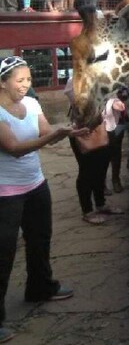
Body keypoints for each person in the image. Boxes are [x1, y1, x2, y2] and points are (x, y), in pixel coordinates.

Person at [0, 56, 84, 343]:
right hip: (5, 192)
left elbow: (47, 132)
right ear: (2, 83)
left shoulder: (33, 104)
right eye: (19, 81)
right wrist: (52, 138)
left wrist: (70, 132)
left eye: (28, 80)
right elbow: (13, 148)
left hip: (35, 184)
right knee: (4, 252)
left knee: (40, 239)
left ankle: (40, 287)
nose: (26, 86)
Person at [64, 78, 123, 225]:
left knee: (102, 169)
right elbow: (80, 107)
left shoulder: (105, 78)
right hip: (84, 131)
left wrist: (114, 103)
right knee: (87, 171)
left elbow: (111, 97)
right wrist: (106, 103)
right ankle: (87, 211)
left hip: (105, 128)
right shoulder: (76, 79)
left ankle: (101, 204)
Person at [104, 86, 129, 194]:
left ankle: (116, 180)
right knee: (103, 154)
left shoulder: (118, 80)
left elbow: (123, 99)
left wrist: (122, 96)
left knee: (116, 151)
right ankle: (102, 184)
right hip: (101, 121)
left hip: (117, 122)